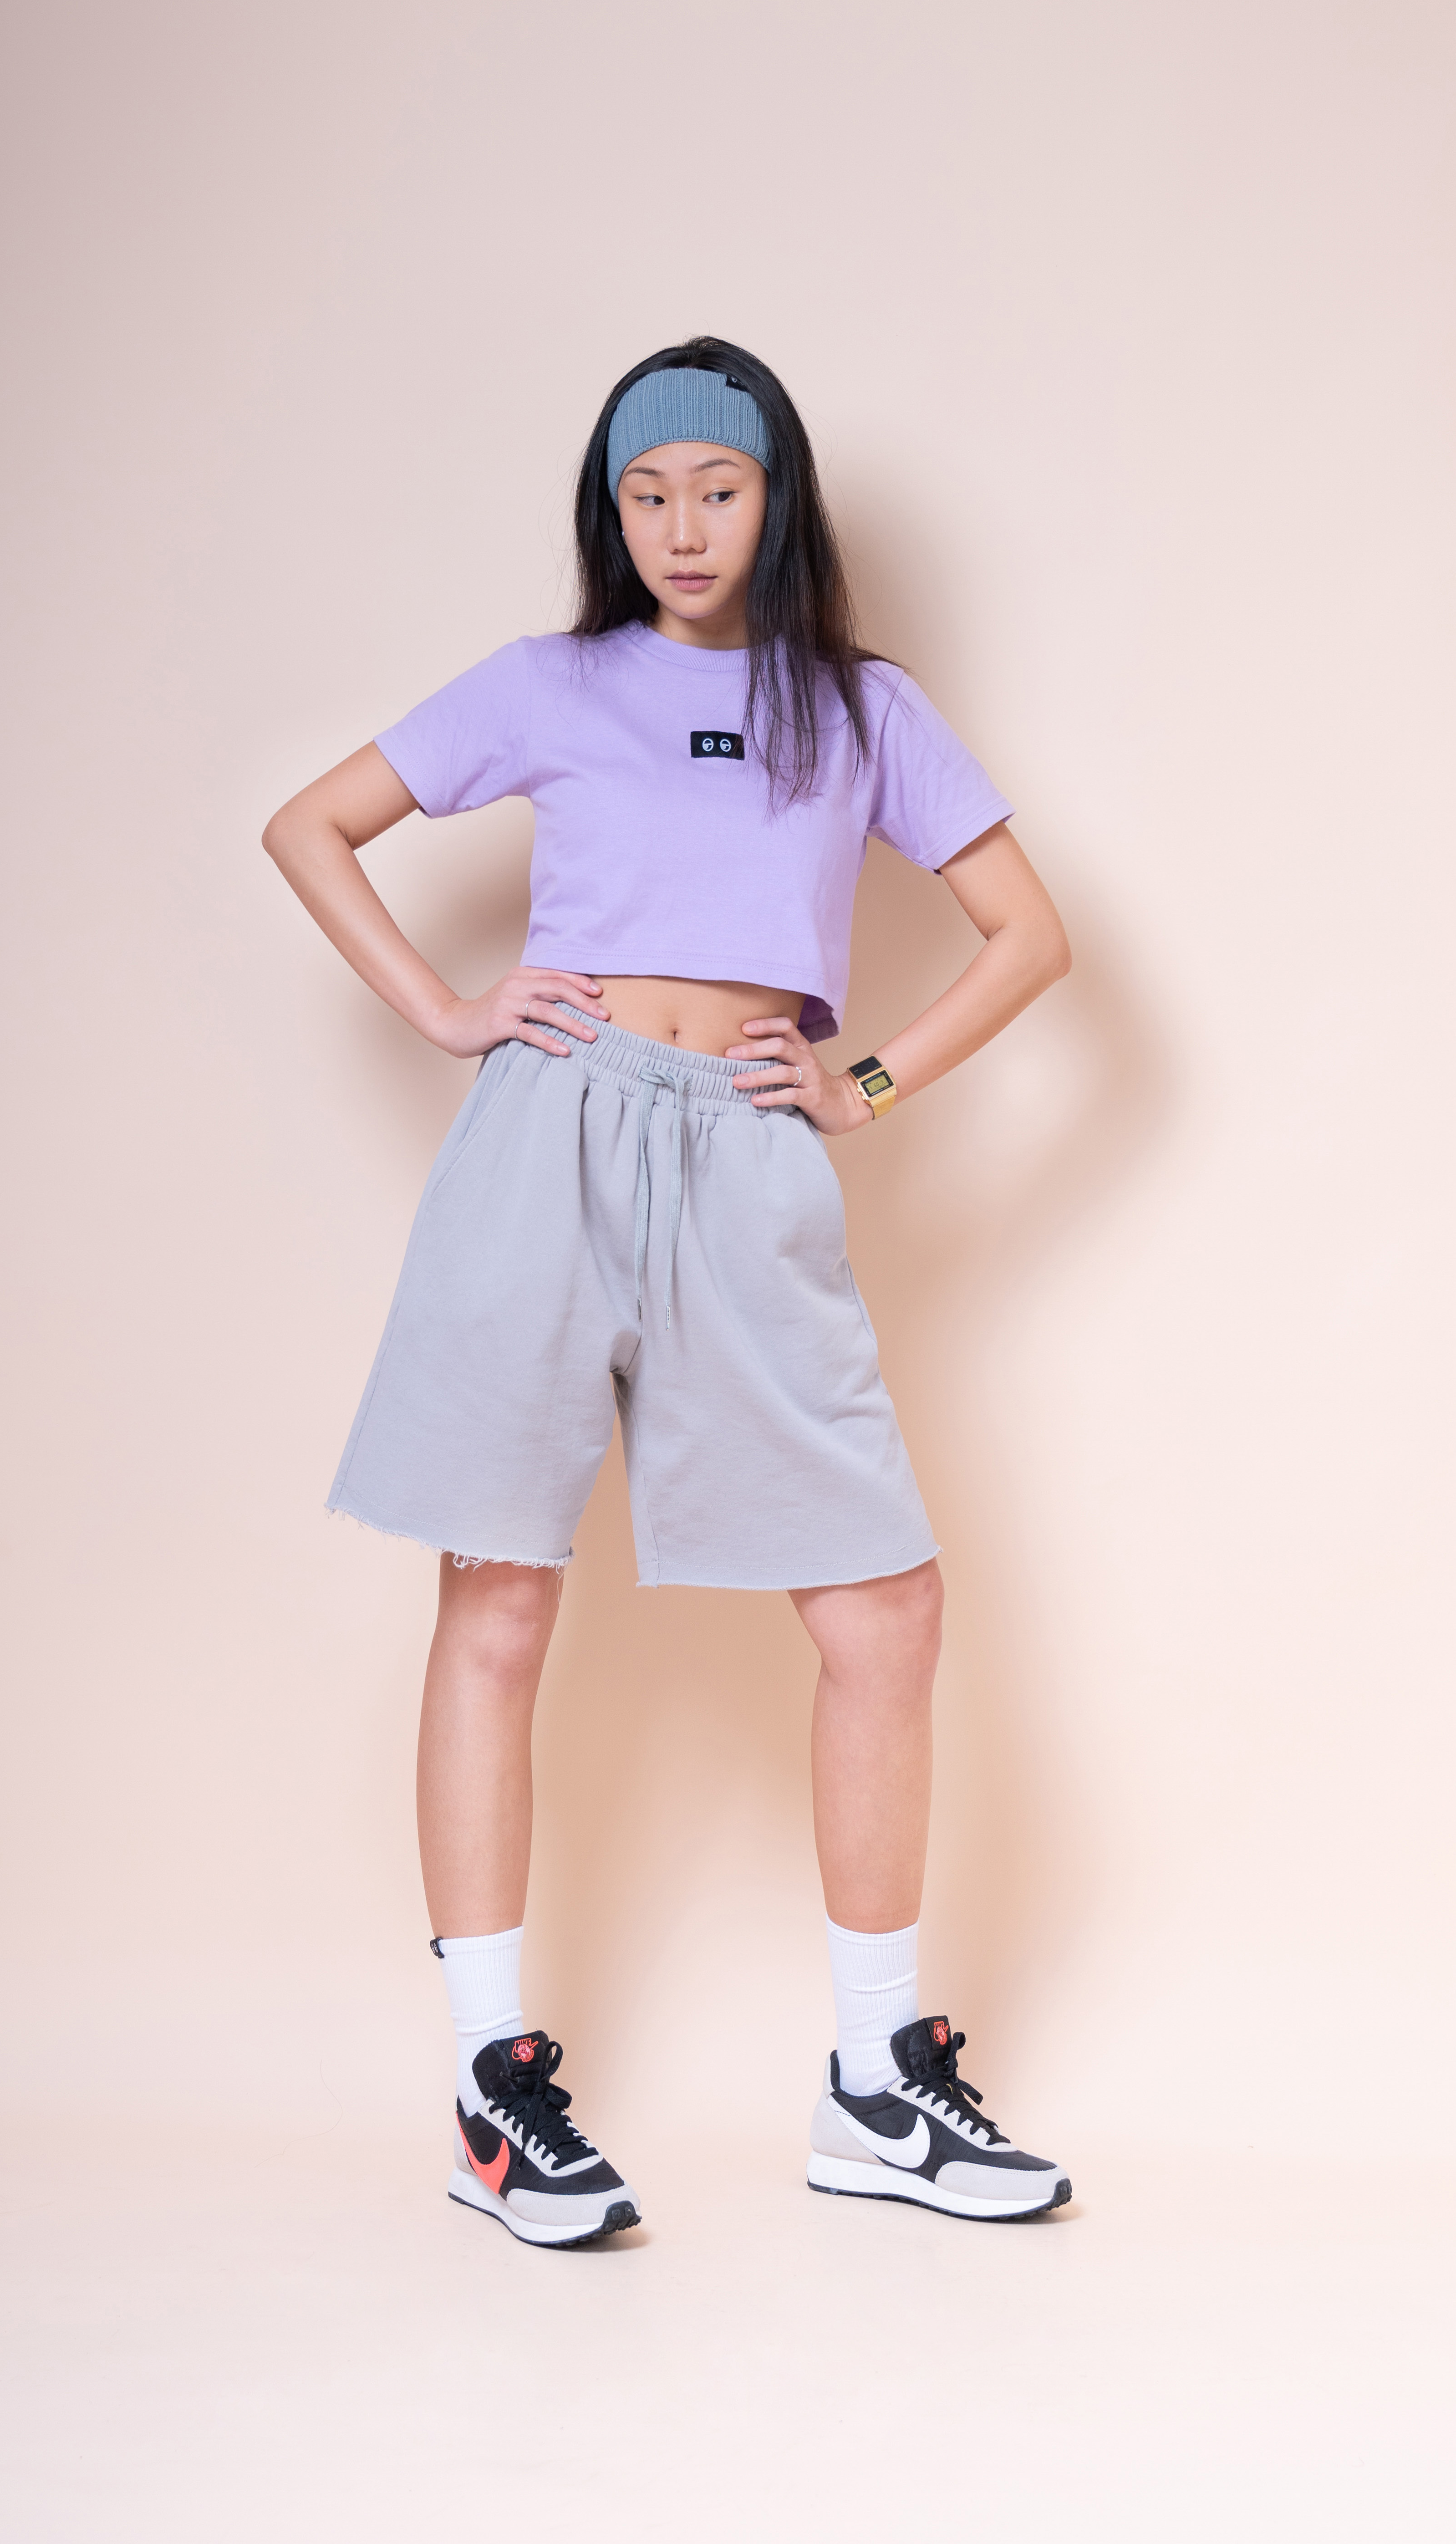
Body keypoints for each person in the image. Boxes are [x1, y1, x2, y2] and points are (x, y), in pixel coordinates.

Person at [263, 338, 1074, 2248]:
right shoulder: (550, 684)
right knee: (498, 1595)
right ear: (608, 514)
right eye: (646, 496)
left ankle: (875, 2084)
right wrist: (448, 1010)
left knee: (884, 1607)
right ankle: (490, 2096)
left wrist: (866, 1082)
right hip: (546, 1139)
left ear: (776, 503)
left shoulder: (860, 708)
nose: (682, 528)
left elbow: (1029, 935)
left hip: (747, 1156)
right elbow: (311, 823)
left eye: (717, 488)